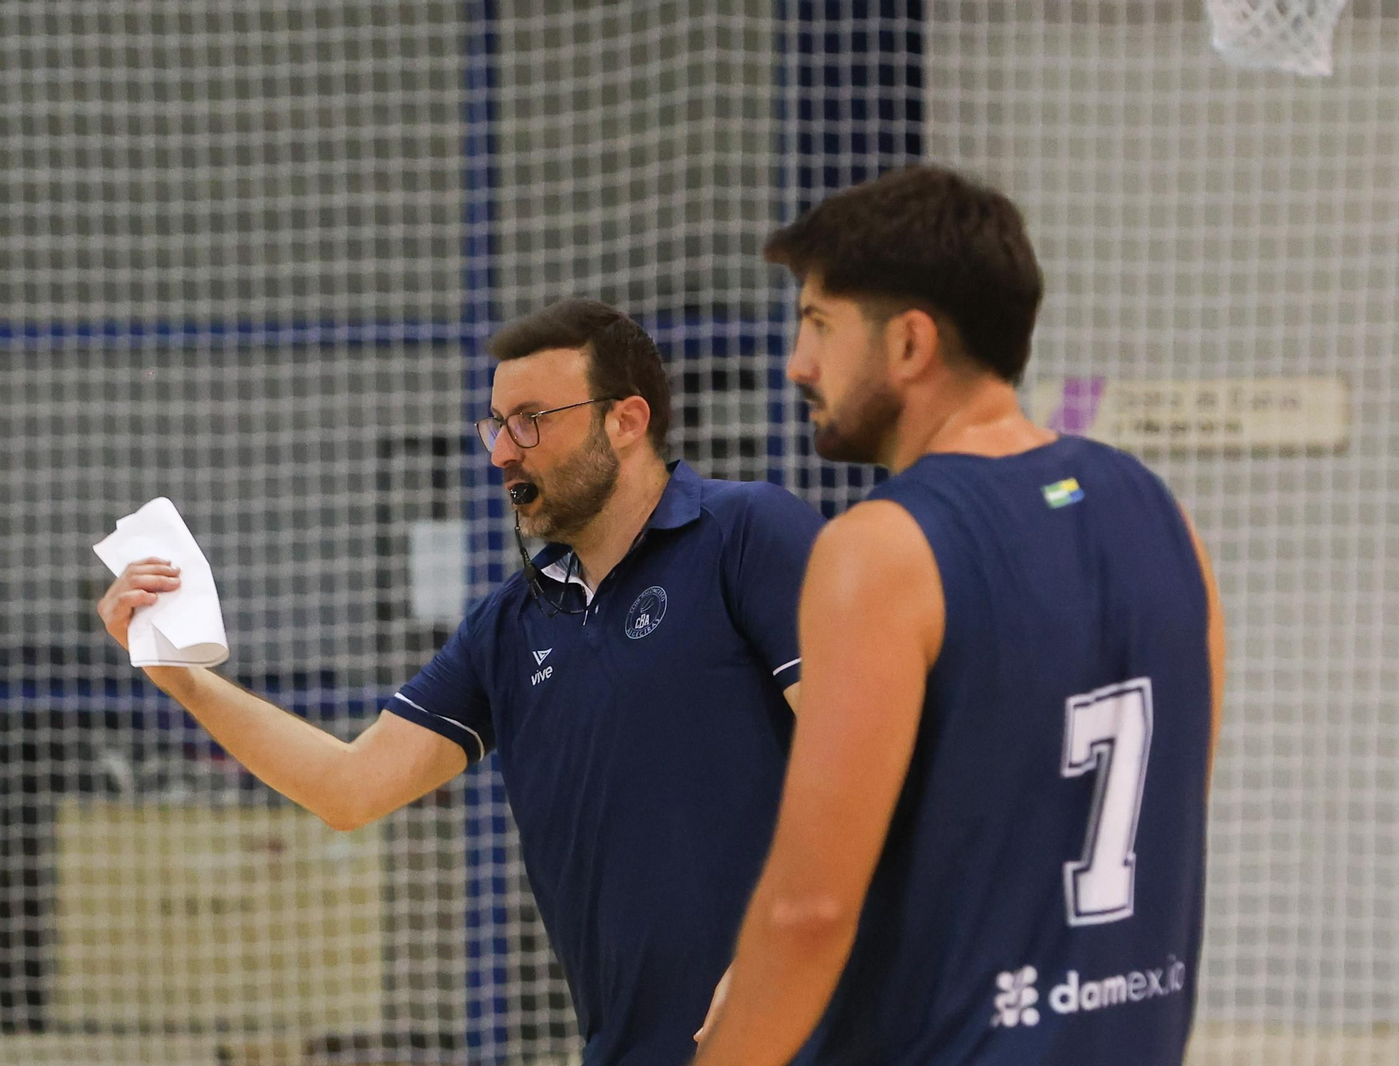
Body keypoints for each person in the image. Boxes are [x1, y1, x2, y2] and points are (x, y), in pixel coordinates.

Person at [97, 298, 825, 1065]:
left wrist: (781, 953)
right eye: (496, 424)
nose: (503, 452)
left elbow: (879, 766)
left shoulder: (747, 534)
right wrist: (179, 677)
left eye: (531, 420)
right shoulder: (511, 624)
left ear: (626, 420)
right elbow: (349, 787)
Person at [692, 166, 1226, 1066]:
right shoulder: (1162, 512)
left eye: (820, 323)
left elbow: (810, 911)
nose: (798, 363)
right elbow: (1177, 799)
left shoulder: (882, 549)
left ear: (909, 344)